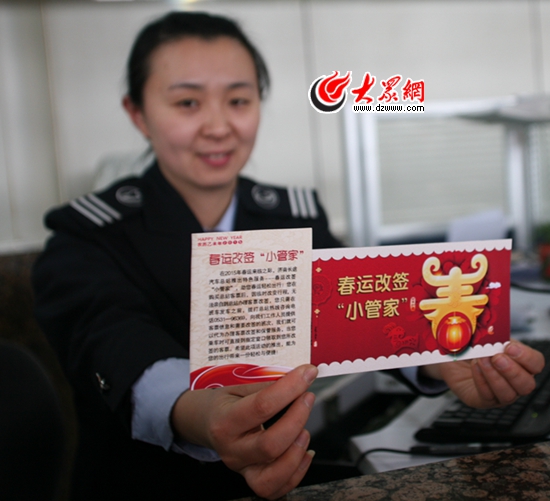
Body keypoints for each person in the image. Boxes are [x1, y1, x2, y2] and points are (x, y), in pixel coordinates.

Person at [32, 11, 544, 501]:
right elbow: (114, 342)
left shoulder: (292, 217)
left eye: (239, 100)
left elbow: (359, 313)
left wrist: (439, 358)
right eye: (188, 103)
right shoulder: (88, 234)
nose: (218, 126)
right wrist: (203, 413)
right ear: (138, 113)